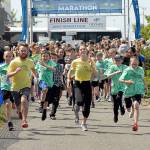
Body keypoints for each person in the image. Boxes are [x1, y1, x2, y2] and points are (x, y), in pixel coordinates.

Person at [67, 45, 97, 131]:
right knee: (79, 102)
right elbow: (71, 72)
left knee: (86, 106)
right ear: (78, 52)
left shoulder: (91, 61)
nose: (82, 50)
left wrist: (92, 66)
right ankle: (76, 114)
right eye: (81, 49)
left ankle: (84, 123)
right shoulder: (75, 61)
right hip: (77, 84)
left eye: (84, 49)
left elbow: (95, 74)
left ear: (87, 52)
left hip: (87, 84)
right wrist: (69, 79)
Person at [7, 43, 37, 128]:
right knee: (18, 106)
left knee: (24, 100)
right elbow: (8, 75)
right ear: (18, 51)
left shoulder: (30, 62)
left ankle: (24, 120)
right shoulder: (14, 62)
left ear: (28, 51)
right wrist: (15, 72)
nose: (23, 52)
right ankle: (20, 112)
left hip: (26, 85)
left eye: (25, 51)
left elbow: (34, 70)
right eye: (22, 50)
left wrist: (36, 77)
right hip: (15, 87)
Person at [119, 57, 145, 131]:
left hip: (138, 91)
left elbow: (142, 79)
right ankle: (131, 109)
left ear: (138, 63)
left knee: (136, 105)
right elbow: (120, 79)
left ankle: (135, 124)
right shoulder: (127, 70)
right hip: (128, 91)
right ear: (130, 63)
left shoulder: (141, 69)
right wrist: (127, 81)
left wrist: (145, 88)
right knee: (128, 108)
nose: (135, 65)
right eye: (133, 64)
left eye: (136, 64)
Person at [35, 50, 56, 121]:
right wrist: (35, 75)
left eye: (46, 56)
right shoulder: (39, 63)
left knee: (46, 100)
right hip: (42, 81)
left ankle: (44, 112)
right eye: (43, 56)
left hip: (50, 82)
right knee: (44, 89)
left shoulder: (51, 62)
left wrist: (45, 65)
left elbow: (53, 69)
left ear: (49, 57)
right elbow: (35, 70)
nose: (45, 57)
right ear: (41, 56)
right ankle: (41, 105)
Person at [106, 55, 127, 123]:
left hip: (122, 87)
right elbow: (108, 76)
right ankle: (116, 115)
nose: (117, 61)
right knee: (115, 105)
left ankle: (121, 107)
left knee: (119, 97)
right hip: (114, 87)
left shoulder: (125, 67)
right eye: (116, 60)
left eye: (119, 60)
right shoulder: (112, 67)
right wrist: (115, 72)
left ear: (122, 60)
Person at [0, 51, 14, 131]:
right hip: (4, 87)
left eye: (10, 56)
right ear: (4, 57)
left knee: (13, 105)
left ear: (12, 57)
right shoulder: (1, 66)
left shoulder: (14, 66)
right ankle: (9, 122)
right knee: (8, 104)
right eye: (7, 56)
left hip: (14, 87)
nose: (8, 58)